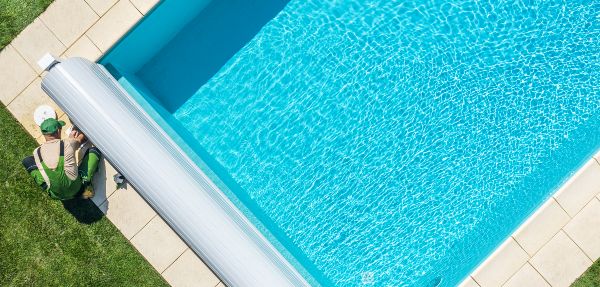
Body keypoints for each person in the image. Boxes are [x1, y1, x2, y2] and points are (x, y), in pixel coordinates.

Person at [21, 118, 101, 200]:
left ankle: (45, 186)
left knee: (27, 161)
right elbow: (81, 138)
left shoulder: (37, 152)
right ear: (59, 131)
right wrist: (73, 138)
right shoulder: (67, 144)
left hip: (57, 195)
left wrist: (70, 140)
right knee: (94, 152)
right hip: (77, 190)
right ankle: (87, 189)